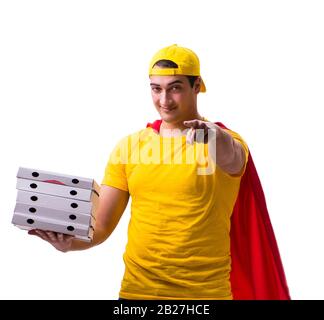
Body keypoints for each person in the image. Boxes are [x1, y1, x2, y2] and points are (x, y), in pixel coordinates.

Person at [28, 44, 290, 300]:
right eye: (156, 89)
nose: (164, 100)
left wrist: (213, 136)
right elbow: (102, 226)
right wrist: (68, 243)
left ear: (197, 86)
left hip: (204, 296)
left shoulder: (222, 141)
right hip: (137, 294)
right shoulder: (129, 147)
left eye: (175, 88)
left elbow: (233, 159)